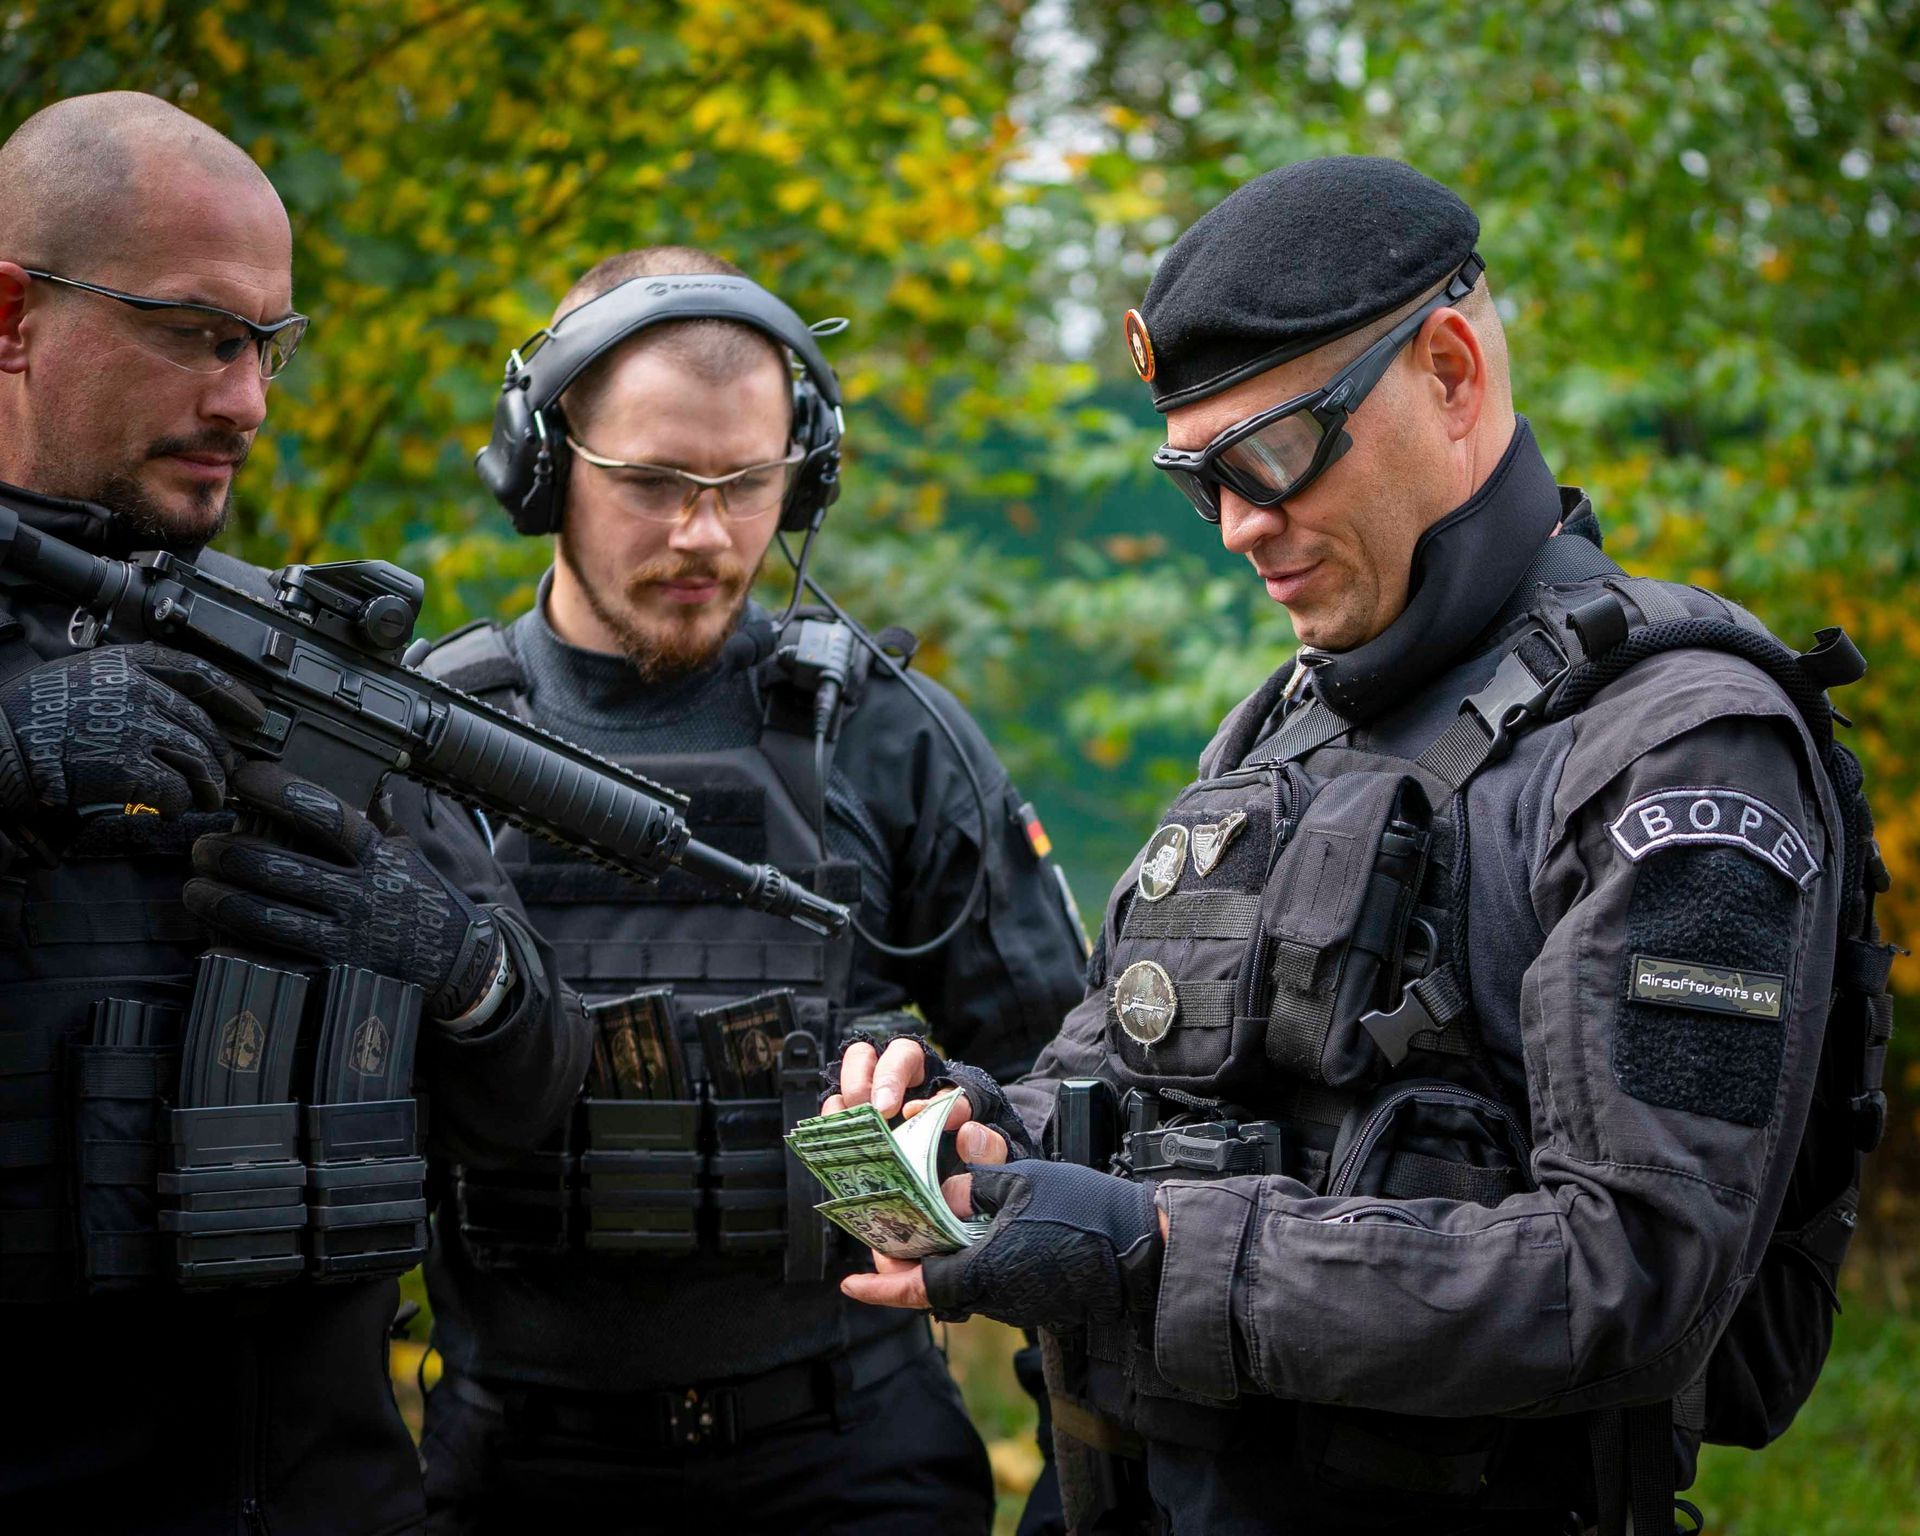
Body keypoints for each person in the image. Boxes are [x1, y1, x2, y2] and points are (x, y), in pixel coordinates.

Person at [827, 158, 1889, 1534]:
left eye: (1270, 456)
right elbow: (1122, 1075)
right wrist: (974, 1128)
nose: (1240, 529)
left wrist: (1146, 1256)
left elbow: (1629, 1279)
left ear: (1450, 373)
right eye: (1200, 481)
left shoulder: (1680, 746)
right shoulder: (1276, 730)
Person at [413, 246, 1091, 1534]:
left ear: (809, 469)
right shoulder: (432, 738)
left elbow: (1074, 1089)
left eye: (748, 483)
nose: (705, 534)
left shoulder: (895, 738)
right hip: (514, 1464)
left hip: (849, 1450)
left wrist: (1087, 1459)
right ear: (541, 464)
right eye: (655, 482)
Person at [0, 93, 589, 1534]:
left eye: (267, 345)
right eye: (198, 333)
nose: (246, 402)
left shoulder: (293, 667)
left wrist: (459, 966)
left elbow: (537, 1098)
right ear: (10, 311)